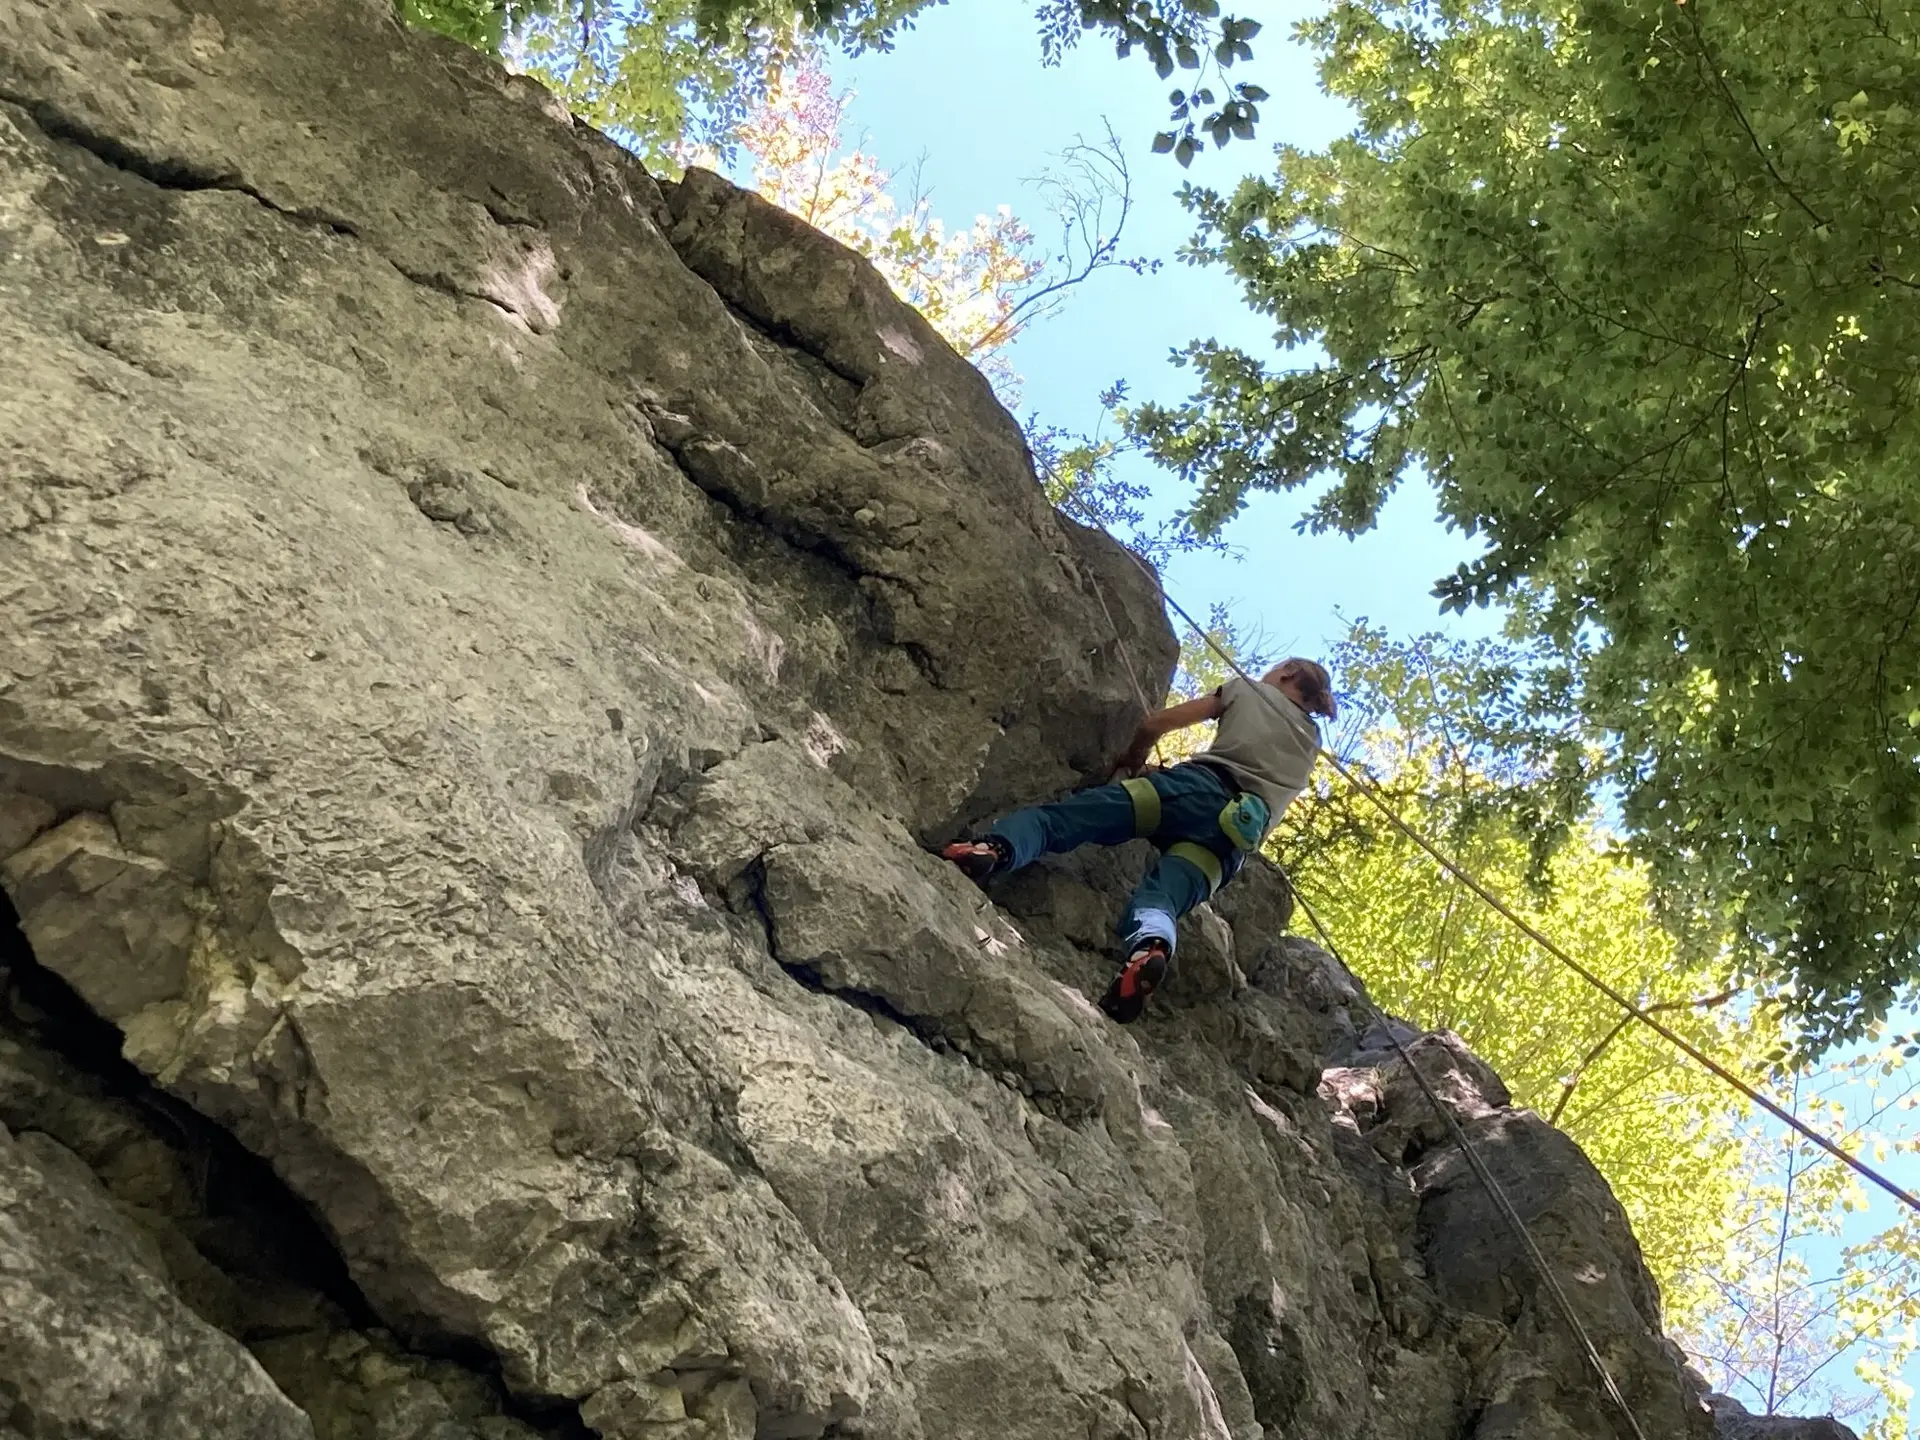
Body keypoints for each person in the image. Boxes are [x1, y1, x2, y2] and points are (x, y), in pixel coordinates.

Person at [941, 658, 1336, 1023]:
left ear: (1285, 673)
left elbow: (1154, 725)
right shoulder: (1311, 743)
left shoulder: (1248, 690)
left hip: (1192, 792)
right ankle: (1152, 949)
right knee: (1160, 901)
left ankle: (992, 849)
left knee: (1060, 820)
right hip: (1231, 843)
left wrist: (1133, 761)